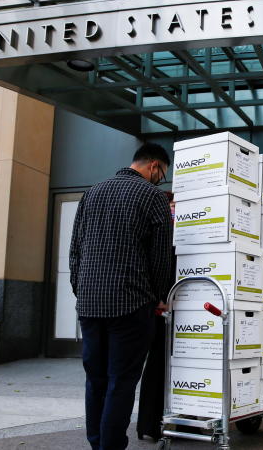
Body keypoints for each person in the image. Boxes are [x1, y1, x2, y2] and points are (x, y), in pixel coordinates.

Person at [69, 143, 172, 450]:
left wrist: (82, 290)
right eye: (162, 174)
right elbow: (160, 258)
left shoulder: (93, 192)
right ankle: (111, 445)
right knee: (122, 380)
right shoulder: (153, 197)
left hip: (90, 304)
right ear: (154, 166)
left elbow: (75, 250)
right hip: (131, 303)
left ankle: (97, 441)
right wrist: (159, 296)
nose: (160, 180)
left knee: (96, 379)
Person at [136, 191, 176, 441]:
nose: (173, 210)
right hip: (161, 307)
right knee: (158, 362)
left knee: (161, 364)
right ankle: (151, 423)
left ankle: (152, 423)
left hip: (166, 305)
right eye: (171, 206)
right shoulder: (163, 231)